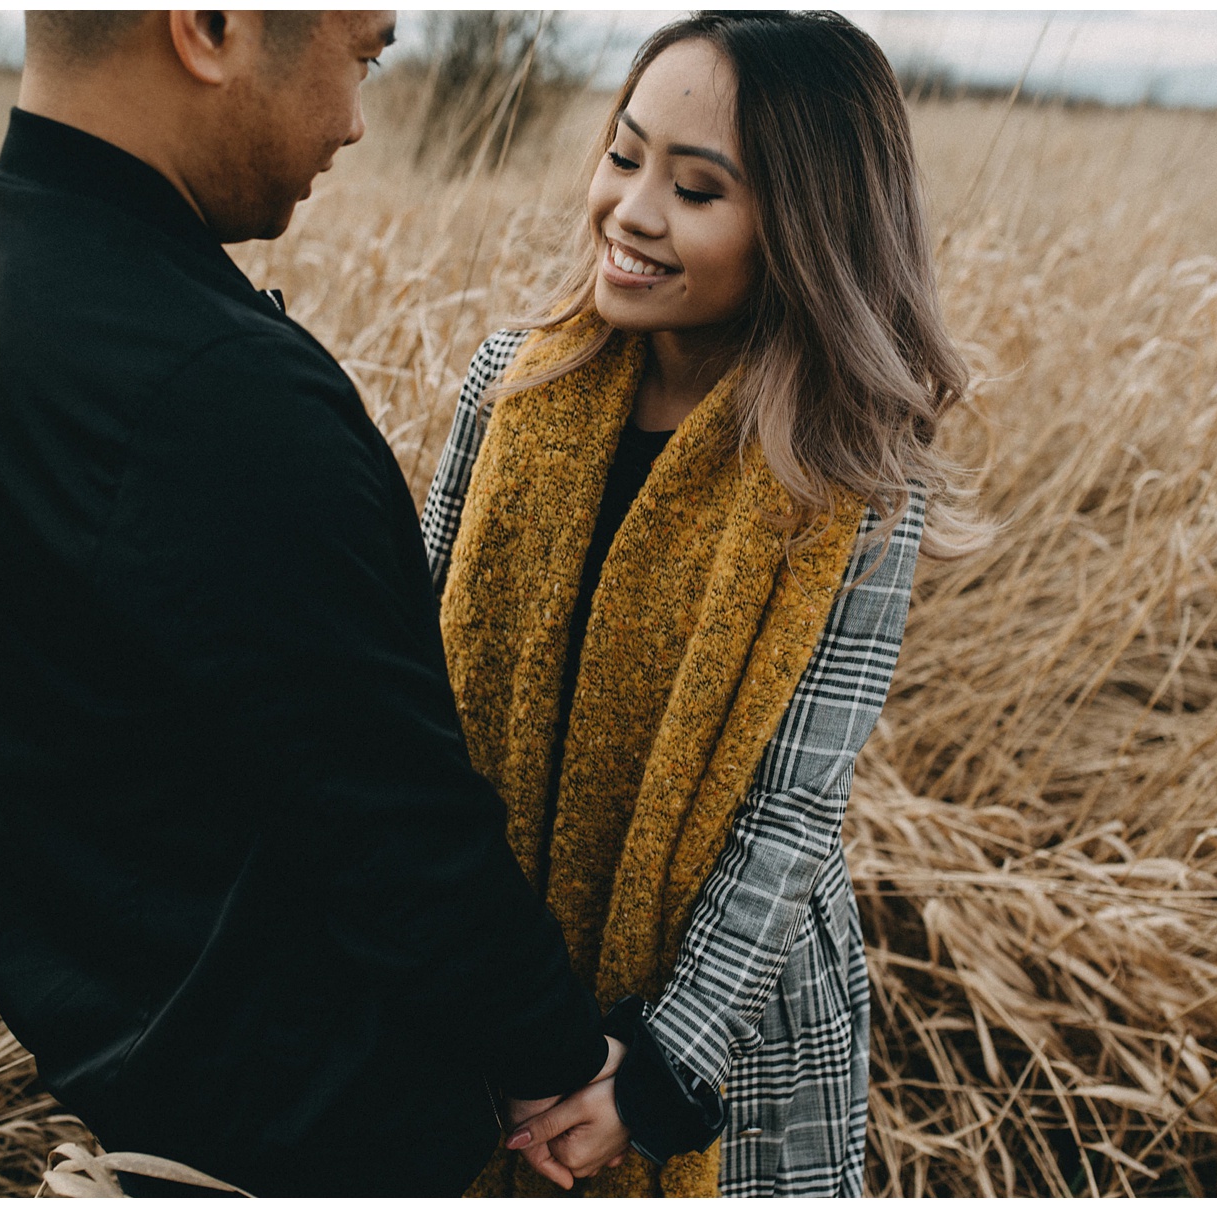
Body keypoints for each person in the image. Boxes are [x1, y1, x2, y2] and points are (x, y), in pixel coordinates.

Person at [0, 11, 620, 1197]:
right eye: (361, 52)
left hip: (151, 1088)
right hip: (316, 1135)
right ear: (212, 25)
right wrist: (558, 1052)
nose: (355, 117)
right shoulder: (210, 389)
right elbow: (390, 813)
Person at [422, 11, 985, 1197]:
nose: (630, 209)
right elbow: (411, 691)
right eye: (623, 156)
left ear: (803, 228)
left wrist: (656, 1066)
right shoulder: (508, 390)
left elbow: (790, 812)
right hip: (489, 975)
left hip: (732, 1019)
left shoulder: (851, 482)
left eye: (697, 188)